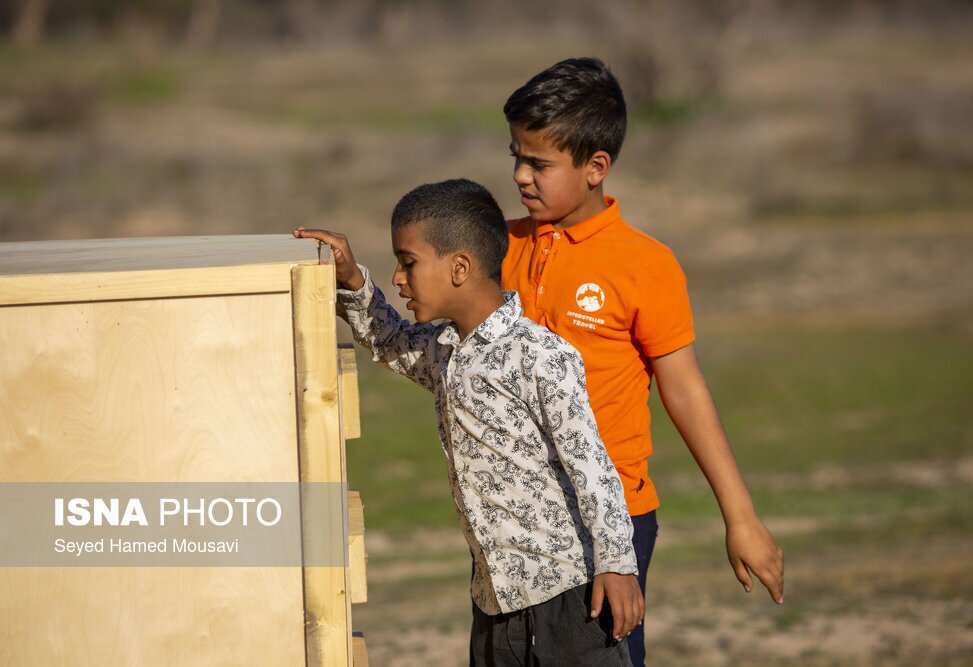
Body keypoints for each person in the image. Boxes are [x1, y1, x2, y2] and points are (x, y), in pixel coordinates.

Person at [501, 57, 786, 666]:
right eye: (516, 157)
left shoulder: (645, 265)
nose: (521, 175)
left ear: (596, 167)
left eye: (539, 164)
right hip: (516, 517)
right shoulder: (499, 245)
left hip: (614, 521)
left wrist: (741, 517)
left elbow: (685, 390)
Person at [294, 178, 643, 666]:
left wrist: (618, 564)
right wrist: (352, 279)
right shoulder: (443, 350)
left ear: (460, 268)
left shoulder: (540, 355)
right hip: (493, 603)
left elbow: (593, 467)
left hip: (568, 599)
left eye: (408, 263)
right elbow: (391, 341)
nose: (398, 278)